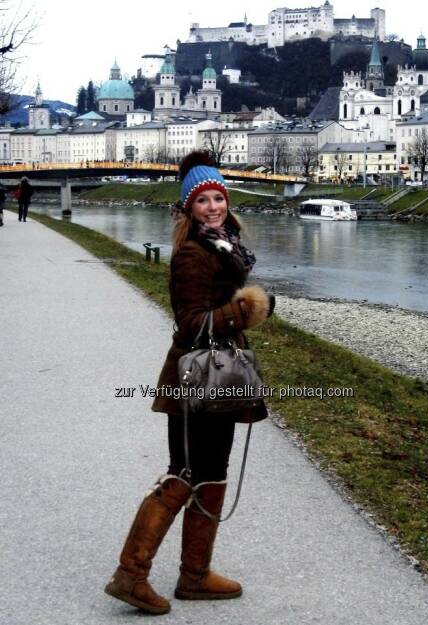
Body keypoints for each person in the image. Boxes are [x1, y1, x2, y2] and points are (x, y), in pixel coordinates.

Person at [105, 151, 275, 615]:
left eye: (219, 197)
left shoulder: (225, 249)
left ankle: (195, 575)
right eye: (203, 200)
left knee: (211, 473)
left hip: (218, 380)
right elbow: (191, 323)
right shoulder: (193, 255)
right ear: (188, 208)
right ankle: (131, 573)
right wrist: (244, 310)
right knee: (185, 473)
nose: (214, 206)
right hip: (197, 380)